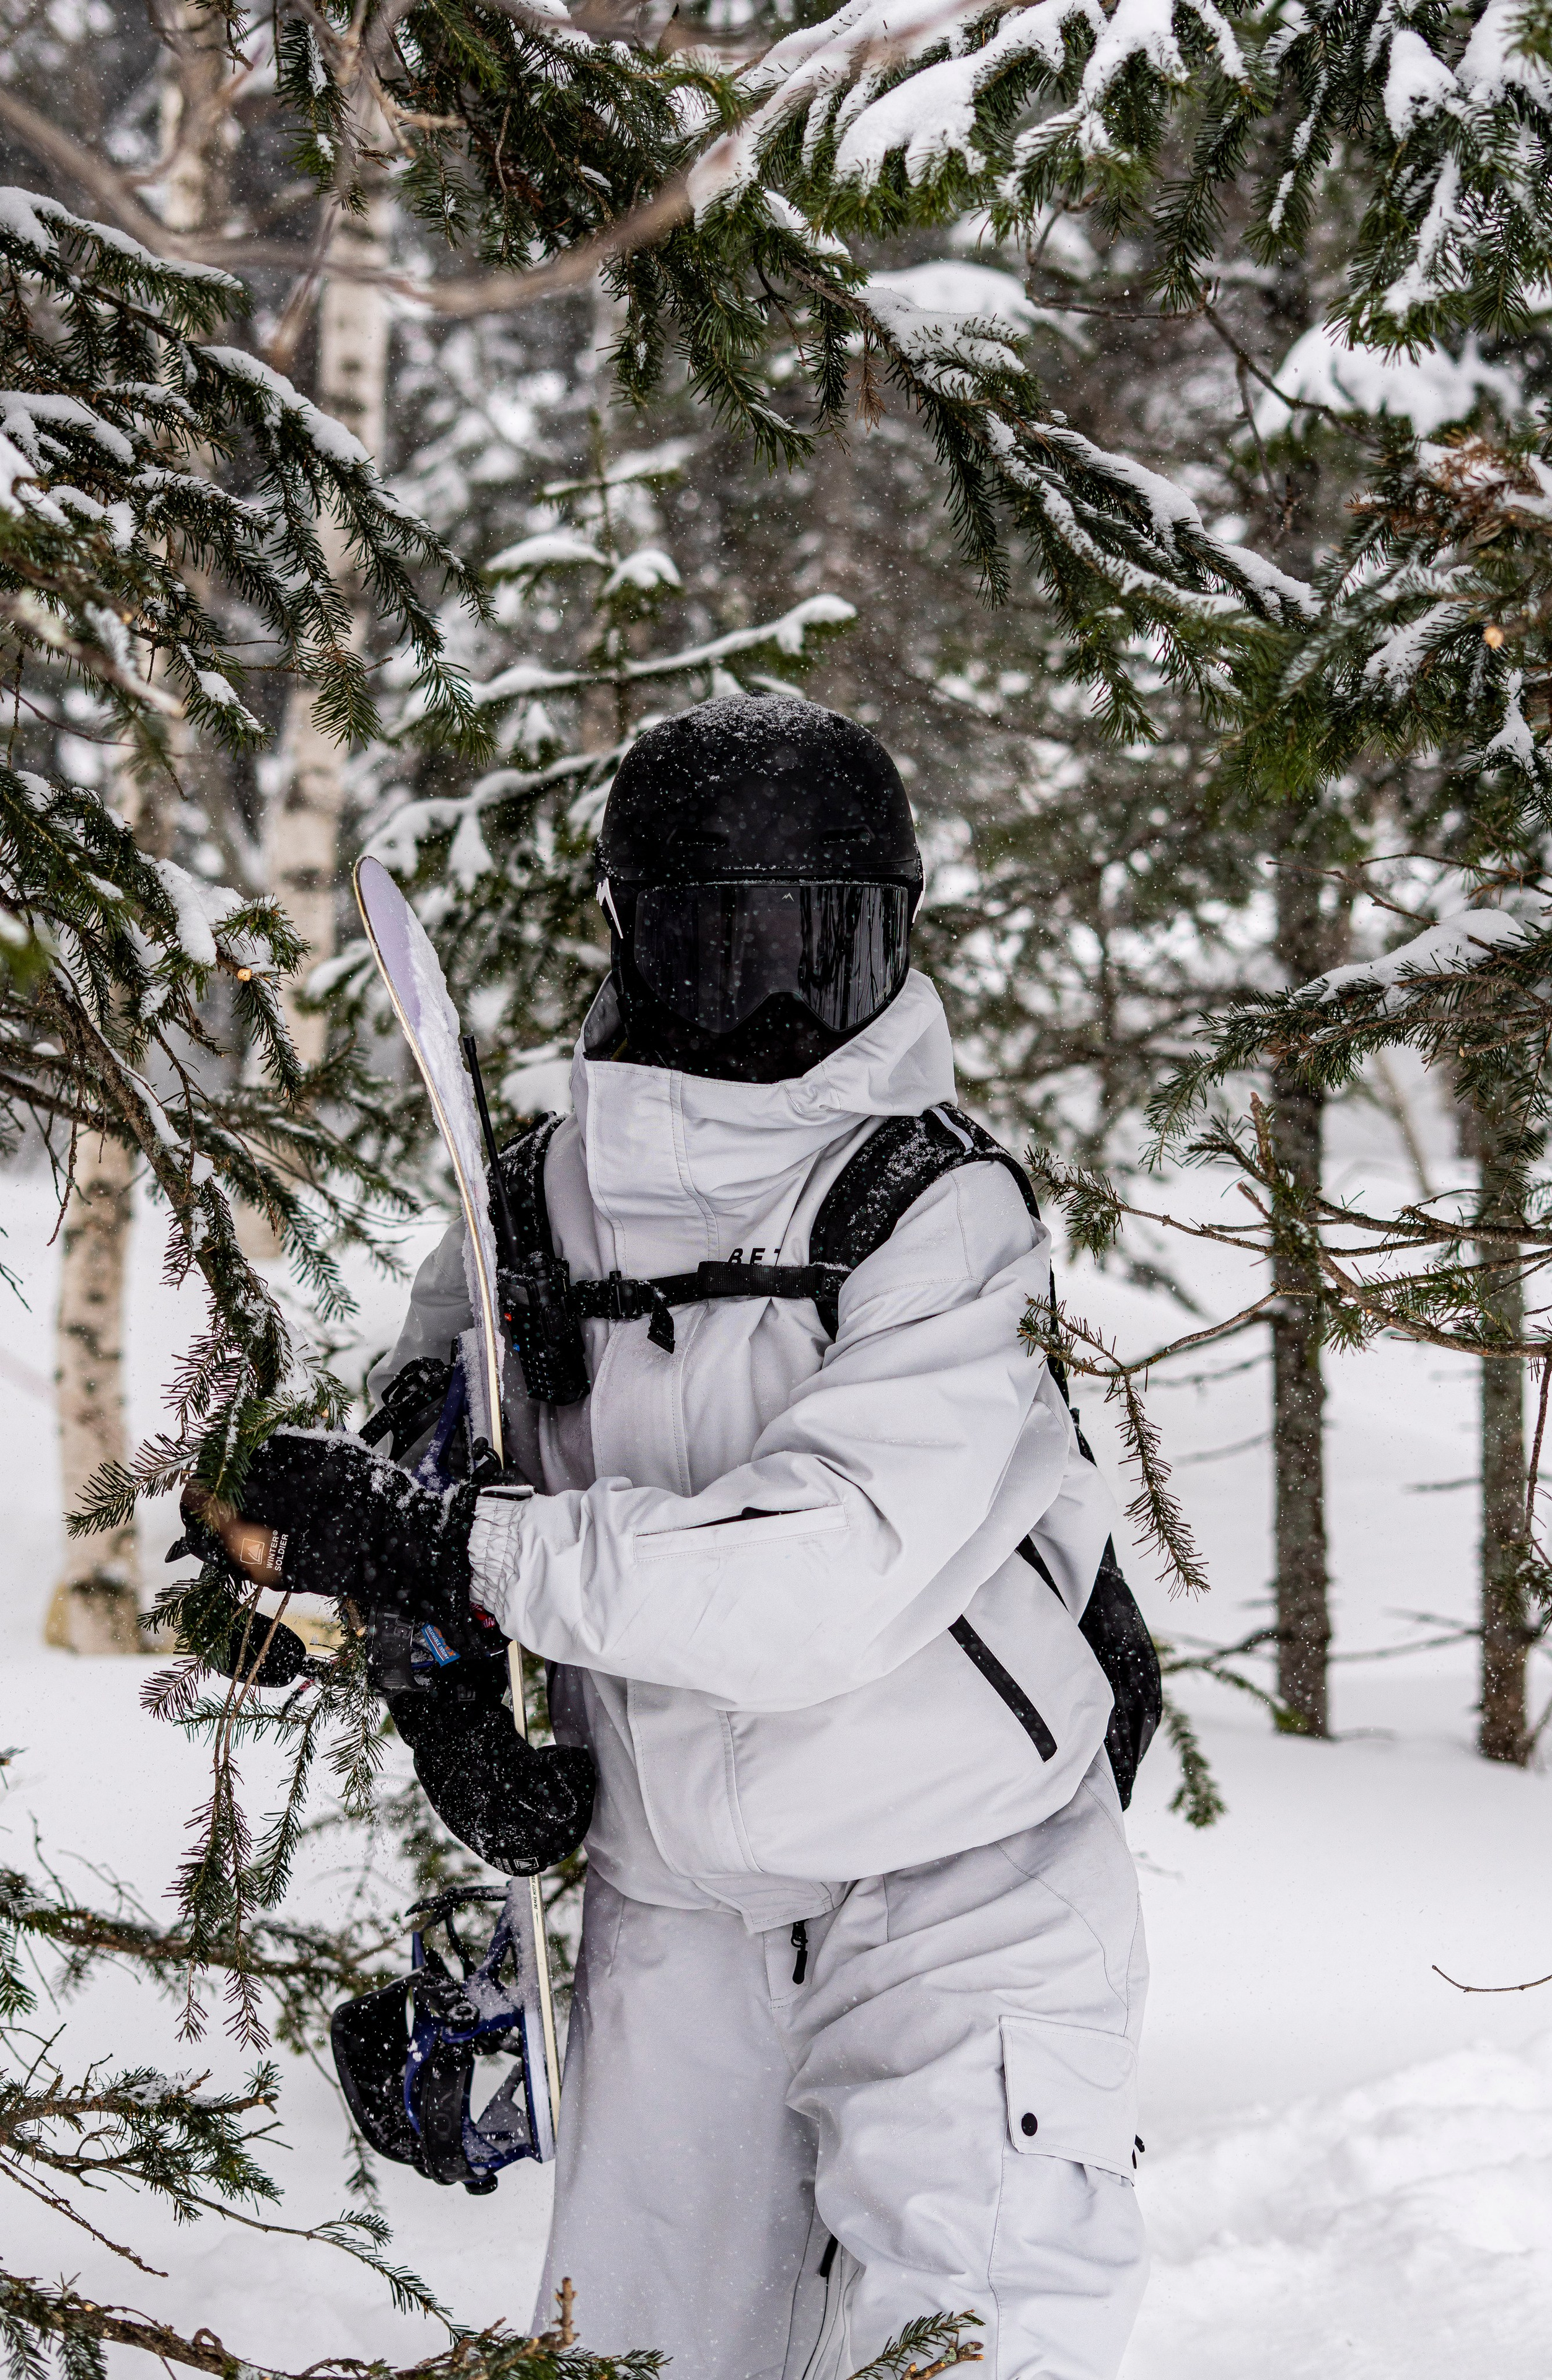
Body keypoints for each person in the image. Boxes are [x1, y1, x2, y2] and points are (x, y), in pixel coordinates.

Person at [195, 696, 1151, 2380]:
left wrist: (464, 1553)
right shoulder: (534, 1205)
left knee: (968, 2345)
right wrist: (426, 1689)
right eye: (729, 950)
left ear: (896, 938)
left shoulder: (932, 1206)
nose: (780, 1008)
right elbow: (419, 1461)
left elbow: (819, 1580)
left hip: (955, 1893)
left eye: (825, 949)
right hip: (676, 1908)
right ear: (636, 936)